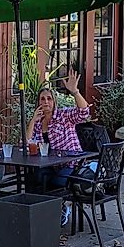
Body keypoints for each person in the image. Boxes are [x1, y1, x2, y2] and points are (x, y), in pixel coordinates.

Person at [27, 72, 91, 224]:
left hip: (71, 163)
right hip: (49, 163)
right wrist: (31, 121)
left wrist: (75, 92)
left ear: (54, 101)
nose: (46, 102)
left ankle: (61, 208)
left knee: (57, 181)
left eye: (49, 99)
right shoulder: (38, 121)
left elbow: (84, 113)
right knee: (36, 179)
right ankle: (38, 215)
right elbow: (27, 143)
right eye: (42, 99)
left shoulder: (63, 116)